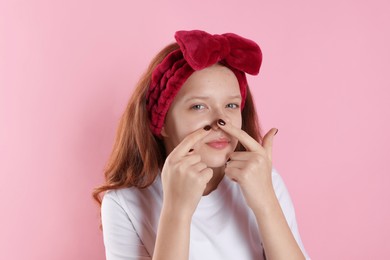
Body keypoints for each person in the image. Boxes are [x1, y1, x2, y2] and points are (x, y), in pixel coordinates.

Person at [93, 30, 310, 260]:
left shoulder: (265, 181)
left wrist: (266, 202)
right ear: (161, 121)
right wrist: (177, 211)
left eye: (231, 105)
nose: (220, 121)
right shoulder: (124, 203)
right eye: (199, 106)